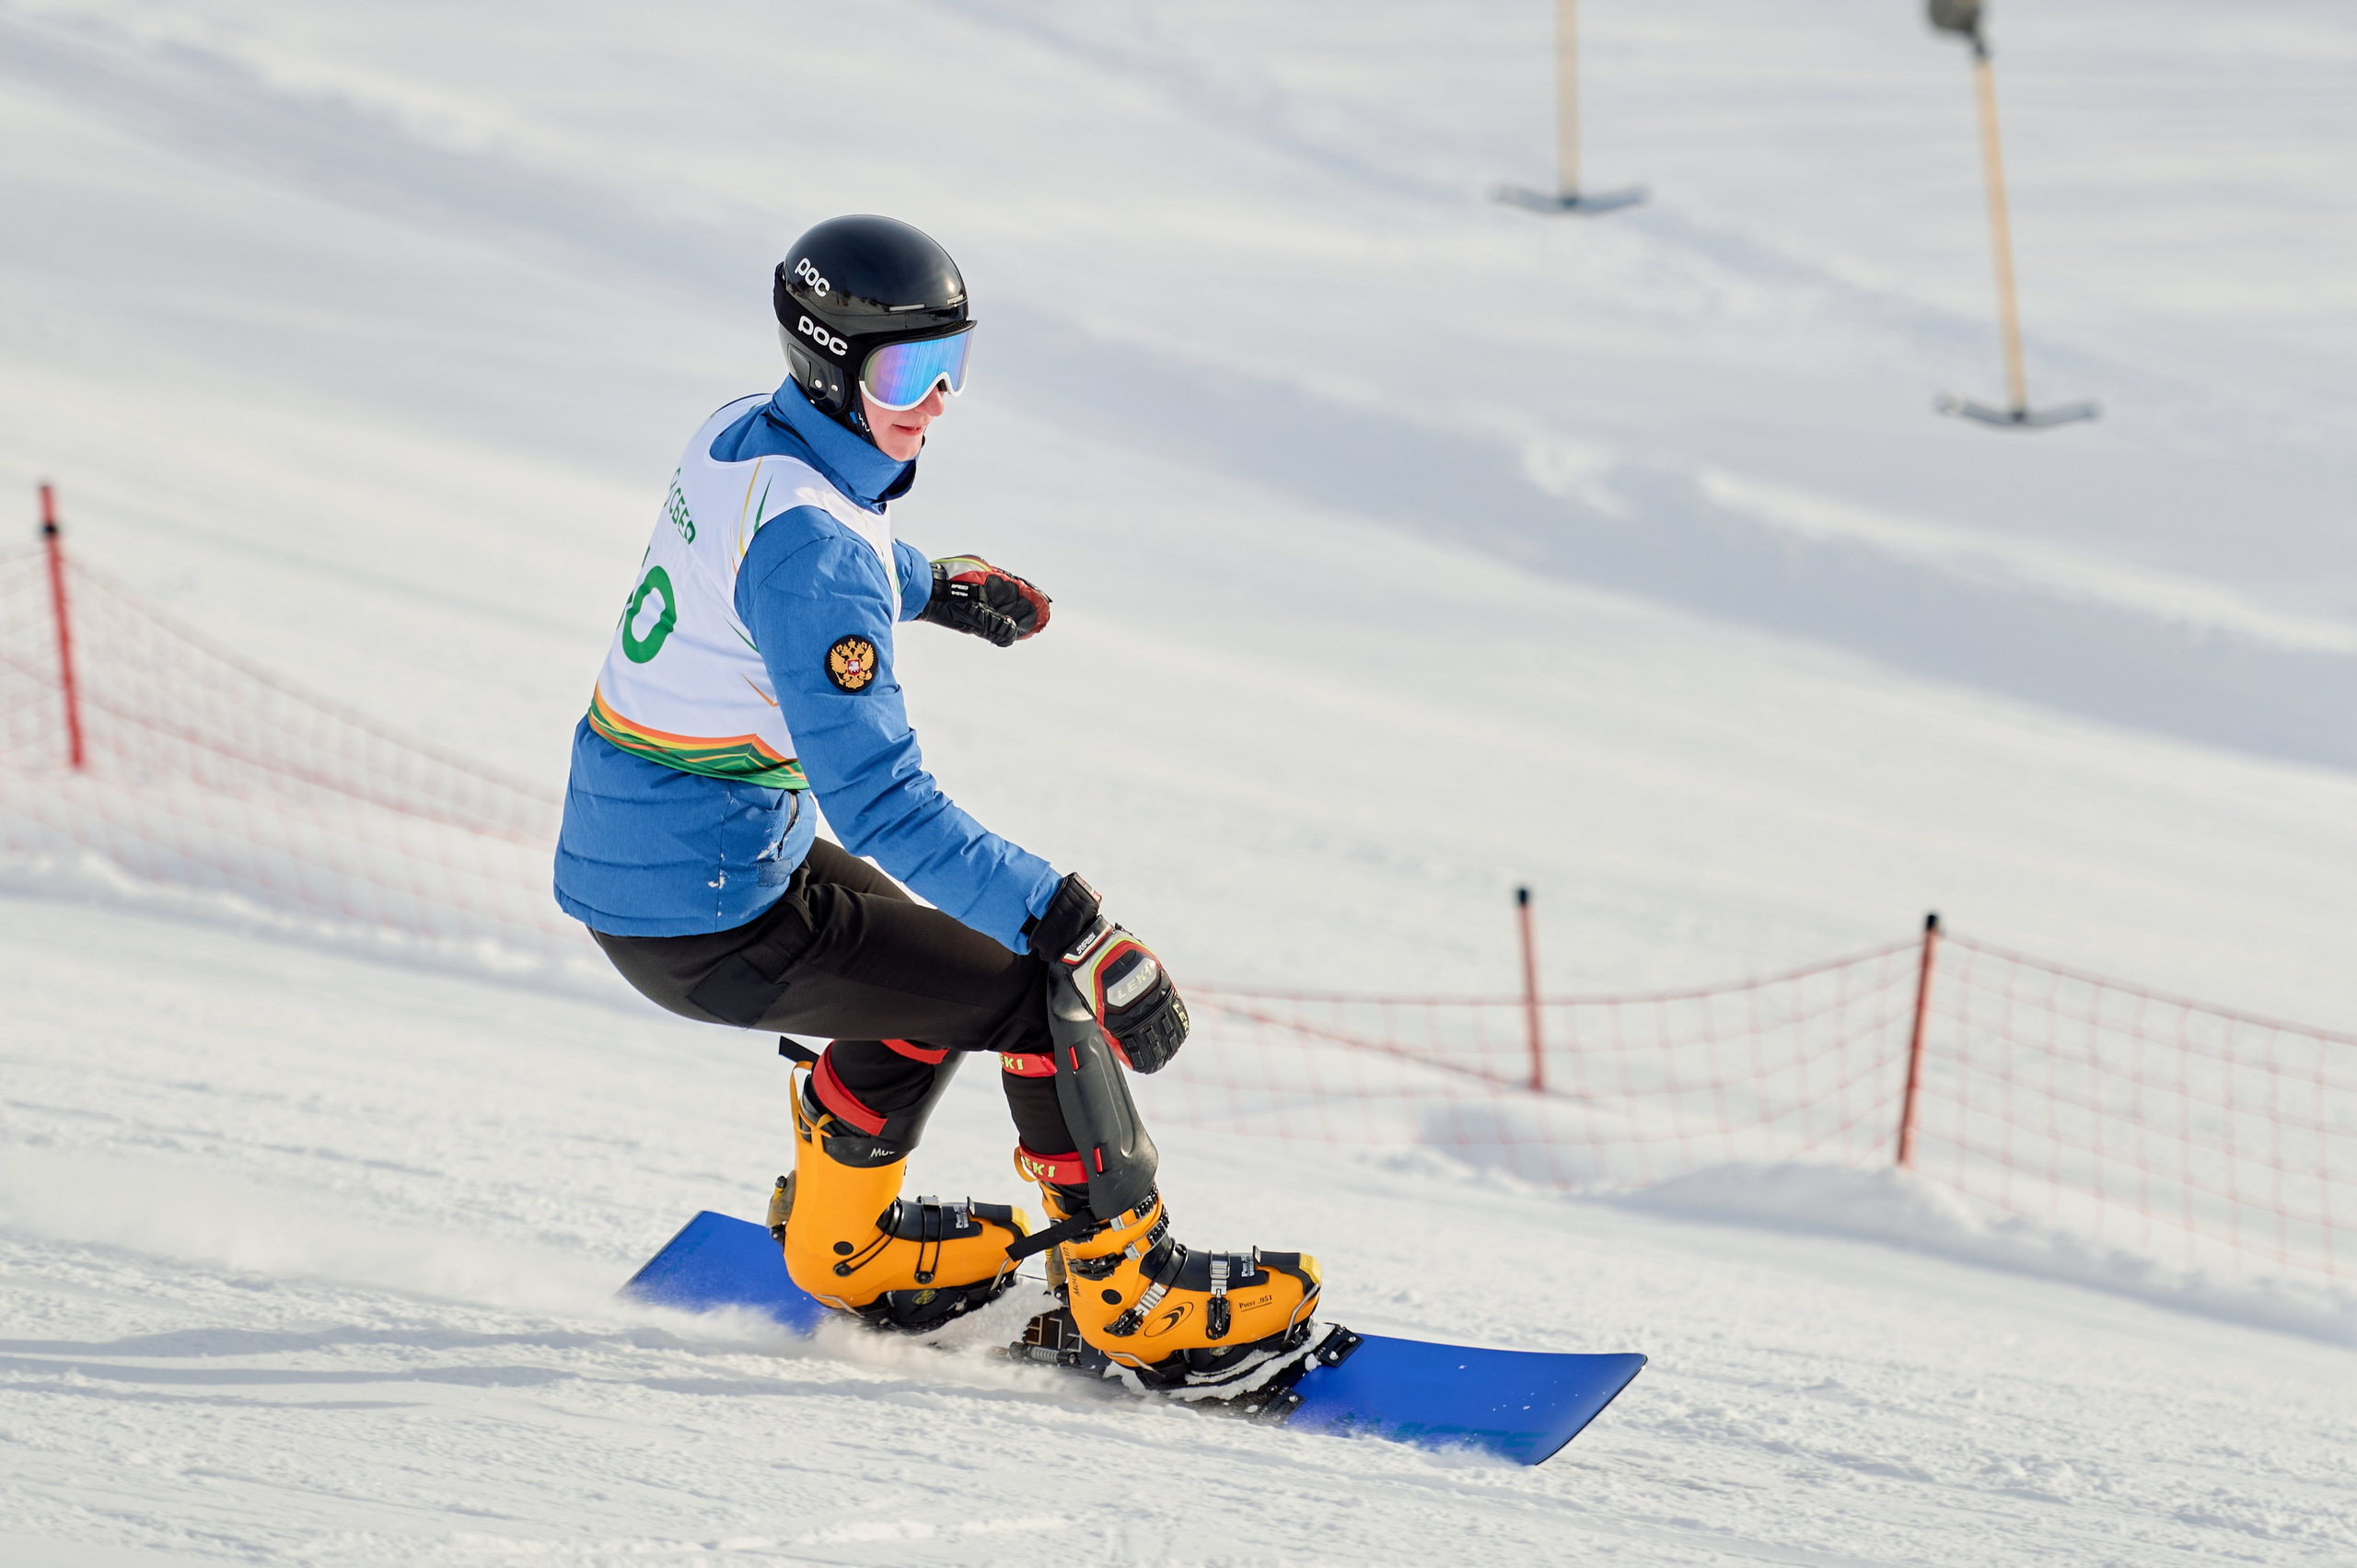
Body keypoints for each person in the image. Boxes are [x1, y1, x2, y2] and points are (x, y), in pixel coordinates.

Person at [553, 215, 1320, 1388]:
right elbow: (884, 803)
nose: (940, 399)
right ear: (827, 357)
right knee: (1035, 984)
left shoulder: (740, 435)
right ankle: (1132, 1294)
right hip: (707, 909)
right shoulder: (816, 553)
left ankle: (838, 1239)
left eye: (955, 364)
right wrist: (1083, 928)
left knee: (938, 953)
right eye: (911, 371)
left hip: (672, 859)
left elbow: (801, 554)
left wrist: (931, 582)